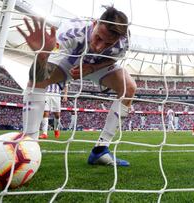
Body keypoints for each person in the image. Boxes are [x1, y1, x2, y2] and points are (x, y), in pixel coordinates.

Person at [17, 6, 136, 166]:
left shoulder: (124, 40)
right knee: (38, 82)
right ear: (94, 24)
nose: (100, 46)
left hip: (95, 65)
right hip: (70, 60)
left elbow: (114, 58)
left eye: (108, 43)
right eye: (98, 38)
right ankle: (29, 146)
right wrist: (42, 57)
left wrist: (93, 68)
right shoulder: (71, 31)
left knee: (129, 88)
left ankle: (100, 150)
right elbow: (39, 76)